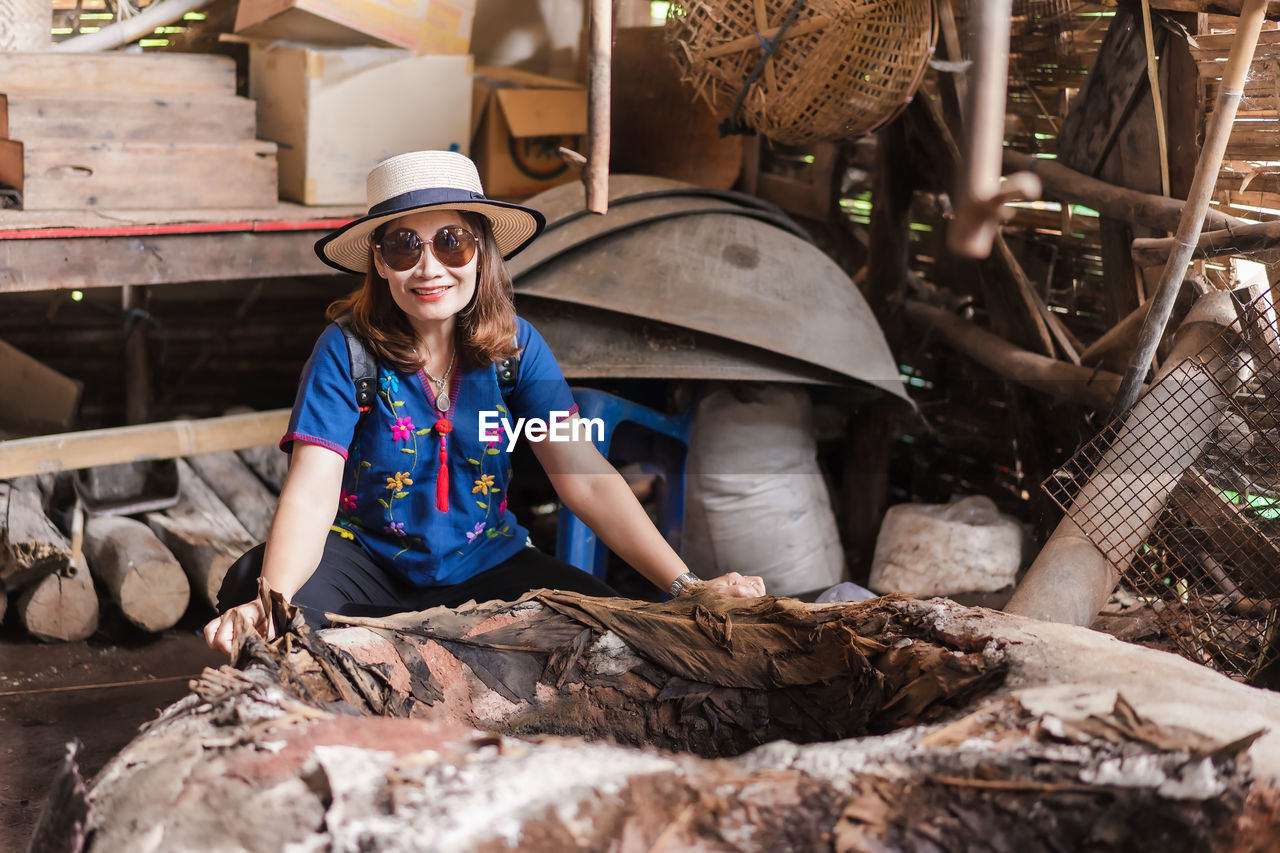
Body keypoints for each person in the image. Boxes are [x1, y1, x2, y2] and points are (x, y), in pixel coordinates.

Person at [204, 151, 765, 654]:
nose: (429, 268)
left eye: (451, 242)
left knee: (617, 639)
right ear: (377, 261)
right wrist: (269, 602)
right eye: (403, 246)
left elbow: (586, 478)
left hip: (489, 566)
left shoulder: (517, 348)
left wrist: (687, 589)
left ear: (481, 251)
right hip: (364, 565)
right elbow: (312, 488)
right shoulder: (346, 351)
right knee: (274, 624)